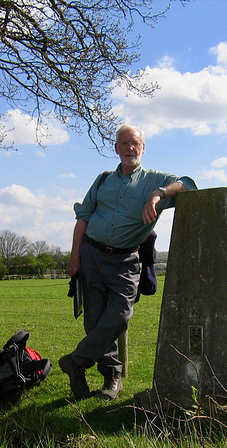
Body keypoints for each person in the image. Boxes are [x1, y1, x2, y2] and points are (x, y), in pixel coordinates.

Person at [59, 124, 197, 399]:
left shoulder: (154, 179)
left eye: (135, 144)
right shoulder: (103, 180)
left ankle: (76, 361)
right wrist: (75, 255)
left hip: (125, 260)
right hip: (92, 253)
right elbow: (83, 216)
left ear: (143, 148)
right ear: (116, 149)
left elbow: (189, 184)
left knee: (120, 315)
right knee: (95, 321)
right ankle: (111, 376)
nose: (130, 148)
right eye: (124, 144)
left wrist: (158, 194)